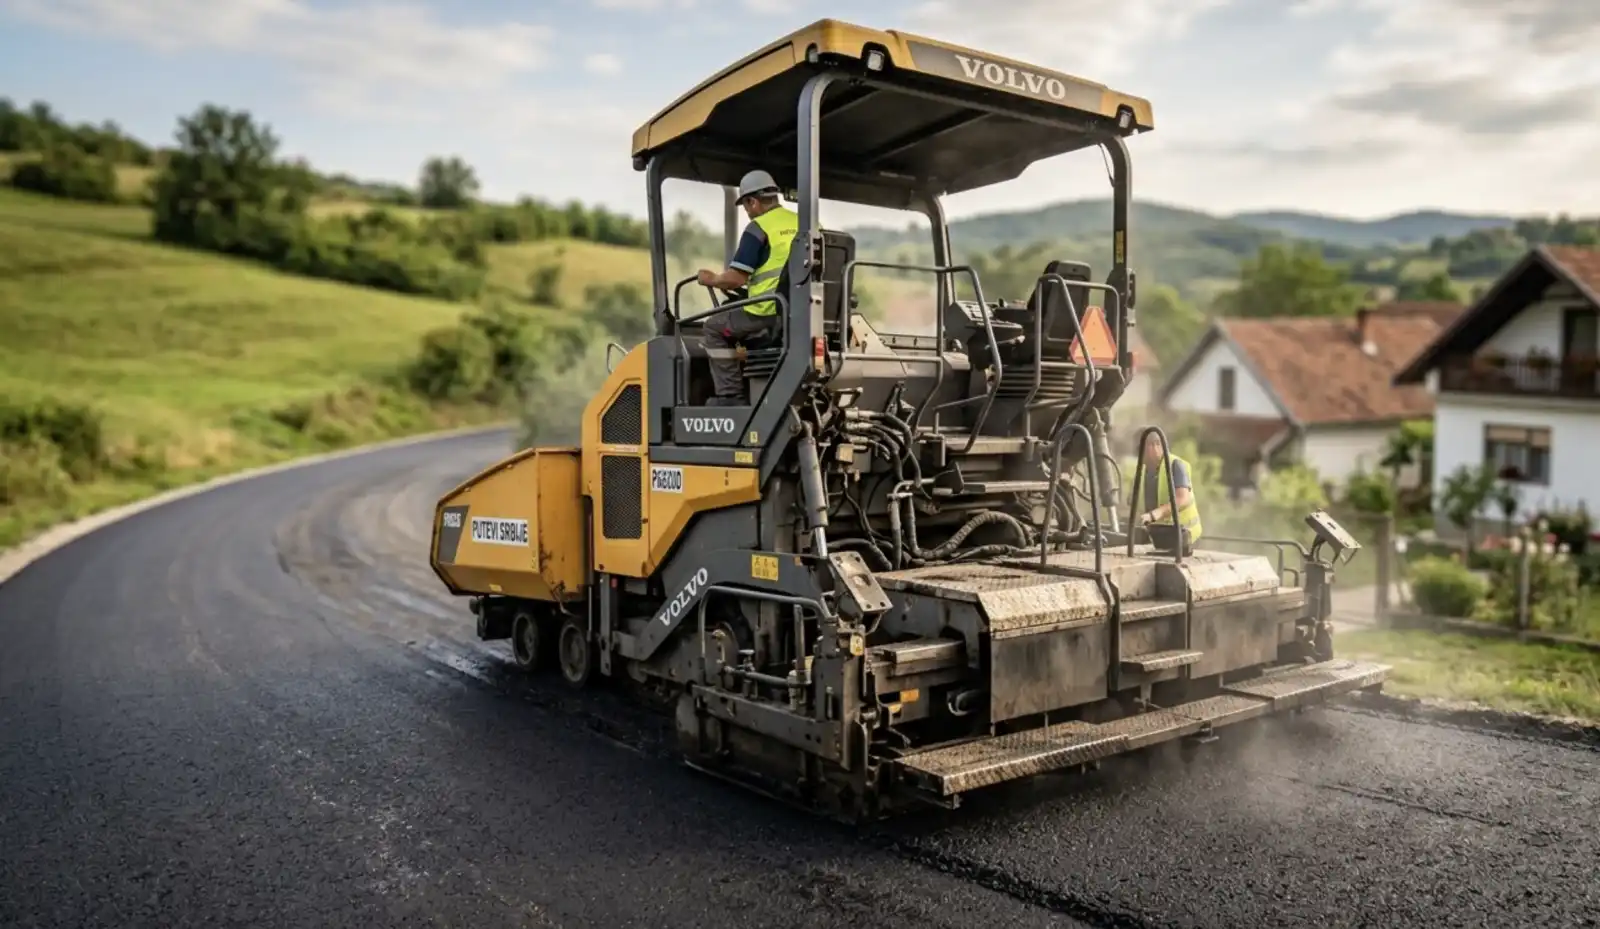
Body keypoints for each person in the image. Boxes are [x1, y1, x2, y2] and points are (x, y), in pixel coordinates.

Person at [694, 169, 798, 406]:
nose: (748, 213)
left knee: (714, 328)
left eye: (746, 206)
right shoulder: (809, 224)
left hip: (766, 312)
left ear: (753, 201)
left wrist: (710, 279)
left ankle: (730, 396)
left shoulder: (759, 227)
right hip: (802, 312)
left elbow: (735, 279)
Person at [1134, 433, 1203, 554]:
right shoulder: (1145, 471)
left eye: (1140, 449)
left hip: (1185, 537)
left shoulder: (1175, 465)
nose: (1137, 454)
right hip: (1163, 538)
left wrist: (1155, 514)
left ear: (1156, 445)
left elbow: (1182, 498)